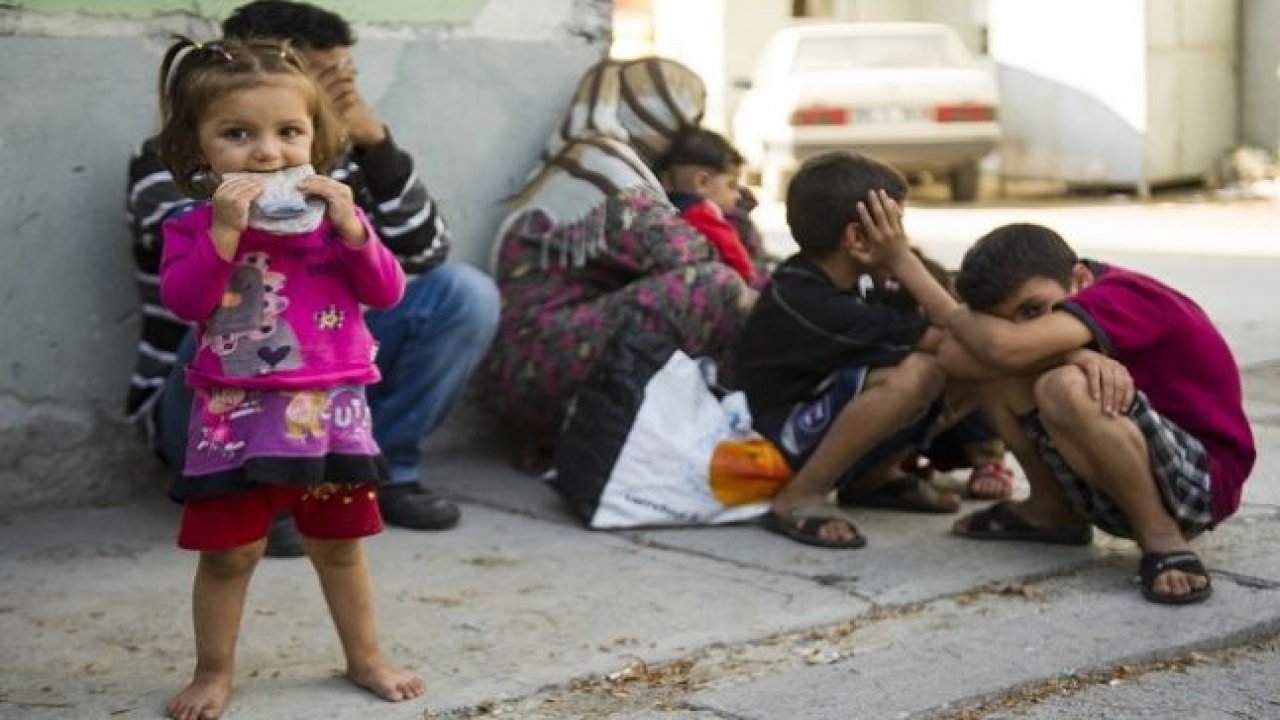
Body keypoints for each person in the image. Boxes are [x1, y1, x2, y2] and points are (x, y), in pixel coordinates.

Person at [126, 0, 500, 555]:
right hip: (211, 390)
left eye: (347, 74)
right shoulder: (174, 163)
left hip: (318, 382)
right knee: (229, 310)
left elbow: (424, 256)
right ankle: (262, 486)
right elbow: (190, 283)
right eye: (324, 77)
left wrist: (374, 148)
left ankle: (384, 470)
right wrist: (259, 194)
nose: (342, 90)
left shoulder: (339, 162)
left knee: (465, 293)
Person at [153, 37, 426, 719]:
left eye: (288, 132)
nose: (268, 153)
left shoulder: (337, 223)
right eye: (237, 134)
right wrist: (222, 233)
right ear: (198, 150)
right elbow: (186, 301)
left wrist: (354, 228)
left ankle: (364, 655)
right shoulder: (192, 225)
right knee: (228, 555)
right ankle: (214, 672)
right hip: (235, 419)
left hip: (329, 416)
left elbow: (387, 292)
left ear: (318, 141)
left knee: (339, 549)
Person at [940, 223, 1256, 605]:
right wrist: (1076, 353)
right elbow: (953, 357)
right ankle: (1052, 511)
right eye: (1010, 320)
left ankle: (1161, 538)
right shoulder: (1069, 299)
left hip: (1200, 484)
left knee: (1062, 387)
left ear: (1080, 278)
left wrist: (955, 315)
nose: (1030, 327)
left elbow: (1007, 348)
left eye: (1035, 309)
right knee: (996, 375)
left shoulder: (1125, 295)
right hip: (1119, 478)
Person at [483, 57, 771, 472]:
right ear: (656, 116)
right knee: (715, 288)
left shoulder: (602, 158)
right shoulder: (605, 168)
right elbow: (688, 255)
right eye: (684, 124)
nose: (684, 142)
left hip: (542, 360)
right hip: (538, 366)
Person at [736, 152, 967, 549]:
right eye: (894, 228)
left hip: (813, 419)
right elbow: (965, 336)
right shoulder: (807, 296)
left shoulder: (861, 281)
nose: (902, 241)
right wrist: (902, 261)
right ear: (858, 239)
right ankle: (799, 496)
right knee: (922, 372)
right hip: (764, 445)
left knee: (970, 368)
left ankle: (873, 478)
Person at [867, 250, 1014, 500]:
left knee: (974, 369)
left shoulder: (959, 300)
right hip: (903, 422)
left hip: (952, 434)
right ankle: (896, 459)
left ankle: (988, 459)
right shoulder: (884, 322)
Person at [657, 127, 756, 284]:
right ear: (701, 182)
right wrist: (748, 277)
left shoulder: (666, 206)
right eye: (732, 185)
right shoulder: (702, 211)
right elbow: (732, 249)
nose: (737, 195)